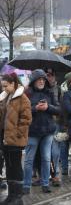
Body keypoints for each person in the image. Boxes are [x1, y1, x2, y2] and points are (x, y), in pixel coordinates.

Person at [23, 70, 60, 194]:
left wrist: (48, 107)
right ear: (33, 81)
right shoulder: (27, 93)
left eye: (43, 80)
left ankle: (45, 184)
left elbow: (59, 109)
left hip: (48, 131)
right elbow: (23, 111)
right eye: (39, 79)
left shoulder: (49, 93)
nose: (41, 81)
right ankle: (26, 186)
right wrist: (35, 108)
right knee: (29, 159)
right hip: (32, 131)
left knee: (46, 158)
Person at [0, 74, 31, 204]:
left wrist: (17, 134)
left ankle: (18, 197)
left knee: (16, 166)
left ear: (13, 84)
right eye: (2, 86)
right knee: (9, 166)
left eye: (6, 86)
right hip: (5, 138)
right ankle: (11, 196)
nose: (4, 88)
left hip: (15, 139)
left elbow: (26, 119)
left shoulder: (22, 98)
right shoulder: (6, 97)